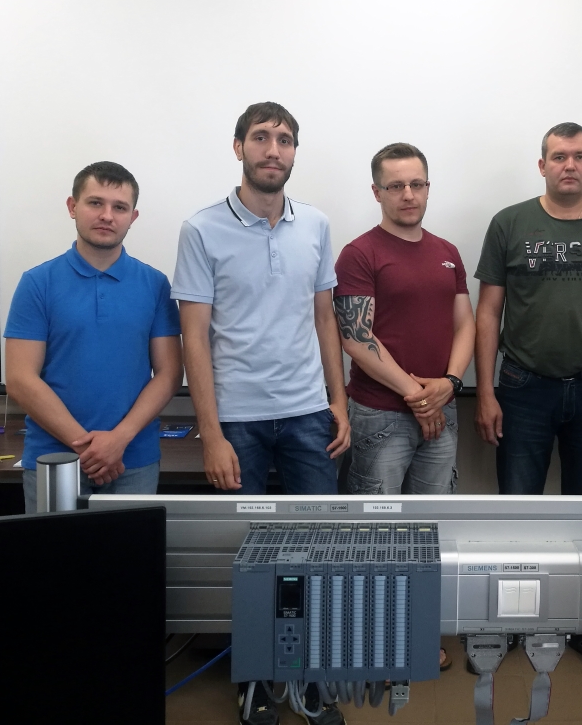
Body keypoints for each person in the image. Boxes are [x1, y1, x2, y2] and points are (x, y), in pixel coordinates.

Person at [171, 103, 348, 725]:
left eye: (286, 140)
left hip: (307, 414)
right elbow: (195, 338)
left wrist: (337, 400)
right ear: (239, 147)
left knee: (319, 552)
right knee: (247, 558)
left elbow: (324, 318)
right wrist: (211, 435)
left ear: (295, 151)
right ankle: (254, 681)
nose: (274, 149)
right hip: (237, 422)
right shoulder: (200, 230)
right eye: (262, 138)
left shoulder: (316, 224)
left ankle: (314, 678)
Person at [474, 122, 582, 676]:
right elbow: (488, 312)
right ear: (542, 165)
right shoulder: (509, 223)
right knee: (518, 512)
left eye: (579, 156)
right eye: (558, 156)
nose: (569, 165)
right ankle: (511, 621)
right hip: (523, 388)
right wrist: (485, 391)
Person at [5, 161, 182, 513]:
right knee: (55, 551)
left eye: (120, 207)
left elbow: (169, 373)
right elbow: (20, 378)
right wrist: (88, 447)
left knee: (131, 550)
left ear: (133, 217)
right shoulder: (37, 283)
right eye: (95, 203)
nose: (107, 216)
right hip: (54, 459)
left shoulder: (155, 284)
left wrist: (119, 439)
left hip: (134, 459)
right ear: (72, 207)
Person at [334, 142, 474, 495]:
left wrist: (451, 383)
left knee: (434, 518)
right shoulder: (359, 254)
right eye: (396, 186)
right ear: (377, 192)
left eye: (417, 184)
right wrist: (420, 397)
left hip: (443, 407)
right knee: (376, 521)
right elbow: (356, 337)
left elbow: (465, 325)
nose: (408, 194)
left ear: (428, 188)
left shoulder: (448, 252)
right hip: (380, 414)